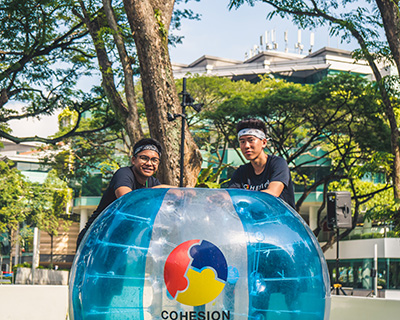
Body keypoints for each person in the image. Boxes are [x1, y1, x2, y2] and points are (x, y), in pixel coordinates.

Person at [76, 138, 169, 247]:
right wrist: (158, 190)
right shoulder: (124, 174)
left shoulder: (152, 182)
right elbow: (127, 200)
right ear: (133, 160)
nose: (149, 163)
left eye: (154, 160)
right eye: (144, 158)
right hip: (96, 238)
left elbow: (170, 195)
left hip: (120, 241)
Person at [227, 118, 295, 209]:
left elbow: (272, 194)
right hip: (253, 222)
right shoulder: (241, 172)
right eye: (242, 141)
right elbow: (230, 197)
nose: (246, 146)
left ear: (263, 143)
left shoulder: (278, 164)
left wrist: (242, 198)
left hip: (280, 221)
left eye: (251, 140)